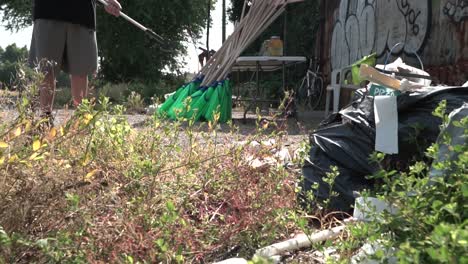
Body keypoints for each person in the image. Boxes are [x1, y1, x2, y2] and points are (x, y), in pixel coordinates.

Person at [29, 0, 122, 121]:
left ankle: (81, 122)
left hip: (83, 14)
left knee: (81, 71)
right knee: (46, 71)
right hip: (47, 10)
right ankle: (44, 121)